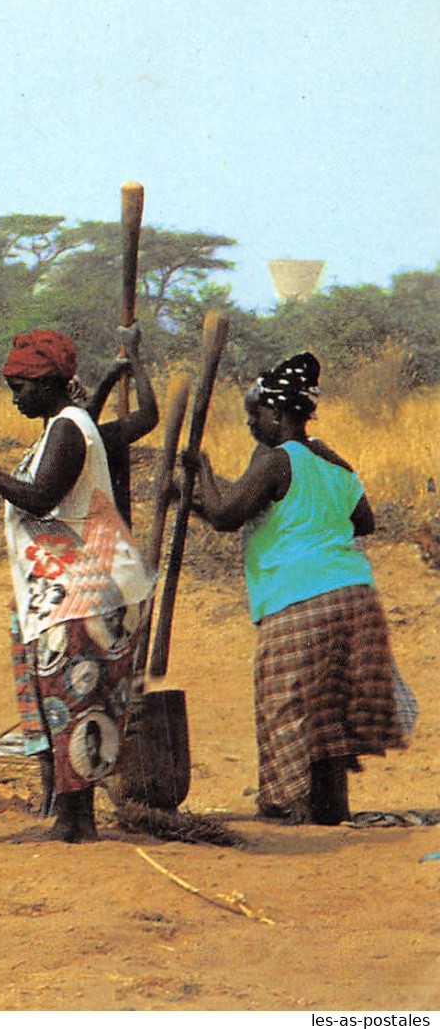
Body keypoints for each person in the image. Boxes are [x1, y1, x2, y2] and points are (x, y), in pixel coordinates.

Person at [181, 352, 406, 825]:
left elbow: (226, 515)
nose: (250, 424)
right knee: (328, 711)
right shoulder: (332, 464)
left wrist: (200, 468)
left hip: (300, 600)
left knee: (285, 703)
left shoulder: (274, 459)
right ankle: (330, 811)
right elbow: (363, 520)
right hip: (356, 599)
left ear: (278, 414)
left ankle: (284, 807)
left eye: (254, 414)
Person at [0, 329, 154, 842]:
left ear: (49, 384)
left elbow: (39, 498)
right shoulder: (63, 426)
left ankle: (76, 824)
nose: (15, 397)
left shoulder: (68, 429)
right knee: (67, 705)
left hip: (88, 586)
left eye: (21, 387)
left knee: (76, 705)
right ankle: (70, 818)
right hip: (75, 583)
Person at [81, 323, 160, 527]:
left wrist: (112, 375)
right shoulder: (95, 439)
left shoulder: (63, 437)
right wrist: (133, 354)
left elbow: (87, 415)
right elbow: (148, 415)